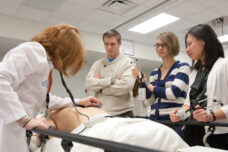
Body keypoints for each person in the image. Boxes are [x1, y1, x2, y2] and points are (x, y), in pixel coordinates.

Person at [0, 24, 102, 152]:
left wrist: (79, 101)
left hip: (17, 131)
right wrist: (24, 120)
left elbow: (45, 99)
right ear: (65, 50)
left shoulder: (45, 63)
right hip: (7, 129)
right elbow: (1, 79)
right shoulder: (34, 51)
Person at [170, 24, 228, 149]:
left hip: (218, 136)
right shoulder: (194, 72)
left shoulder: (224, 65)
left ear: (203, 41)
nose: (187, 49)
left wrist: (211, 115)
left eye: (189, 43)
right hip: (192, 133)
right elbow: (188, 104)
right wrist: (179, 114)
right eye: (186, 45)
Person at [33, 106, 189, 152]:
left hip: (113, 124)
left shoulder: (73, 105)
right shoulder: (51, 116)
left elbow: (45, 137)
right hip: (112, 128)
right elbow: (46, 136)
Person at [133, 32, 190, 121]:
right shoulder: (154, 72)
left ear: (172, 45)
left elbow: (173, 93)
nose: (160, 48)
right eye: (158, 45)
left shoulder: (183, 67)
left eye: (164, 45)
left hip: (173, 120)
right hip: (154, 120)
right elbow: (149, 101)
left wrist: (153, 88)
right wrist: (142, 83)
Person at [85, 29, 135, 117]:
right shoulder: (97, 64)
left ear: (119, 44)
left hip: (123, 114)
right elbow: (88, 83)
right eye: (106, 44)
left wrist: (100, 88)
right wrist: (112, 81)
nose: (109, 47)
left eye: (112, 44)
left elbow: (125, 86)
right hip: (101, 113)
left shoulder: (128, 63)